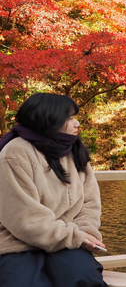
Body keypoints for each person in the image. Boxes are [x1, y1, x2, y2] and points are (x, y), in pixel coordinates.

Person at [0, 93, 107, 286]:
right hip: (17, 241)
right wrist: (76, 237)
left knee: (85, 277)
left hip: (67, 239)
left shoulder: (76, 151)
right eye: (70, 118)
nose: (77, 124)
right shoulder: (15, 153)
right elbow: (24, 219)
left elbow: (90, 203)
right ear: (50, 118)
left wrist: (85, 232)